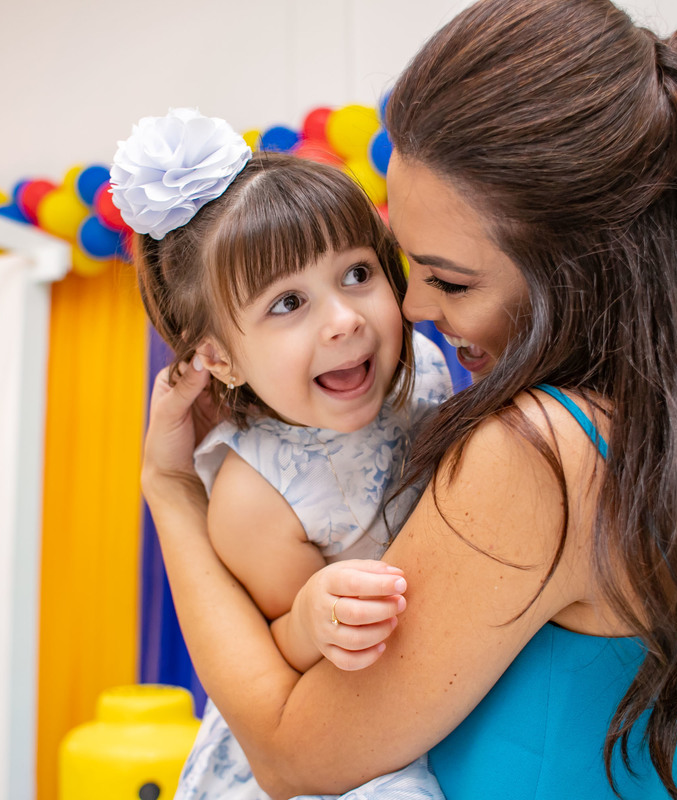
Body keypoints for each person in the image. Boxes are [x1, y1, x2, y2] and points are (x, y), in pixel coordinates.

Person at [138, 0, 677, 798]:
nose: (411, 309)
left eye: (449, 279)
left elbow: (289, 752)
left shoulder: (541, 452)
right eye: (403, 266)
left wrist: (170, 491)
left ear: (583, 266)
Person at [110, 108, 453, 800]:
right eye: (288, 302)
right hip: (323, 743)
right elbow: (277, 651)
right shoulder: (254, 493)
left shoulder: (427, 368)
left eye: (357, 273)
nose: (344, 318)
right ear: (218, 358)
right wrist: (312, 617)